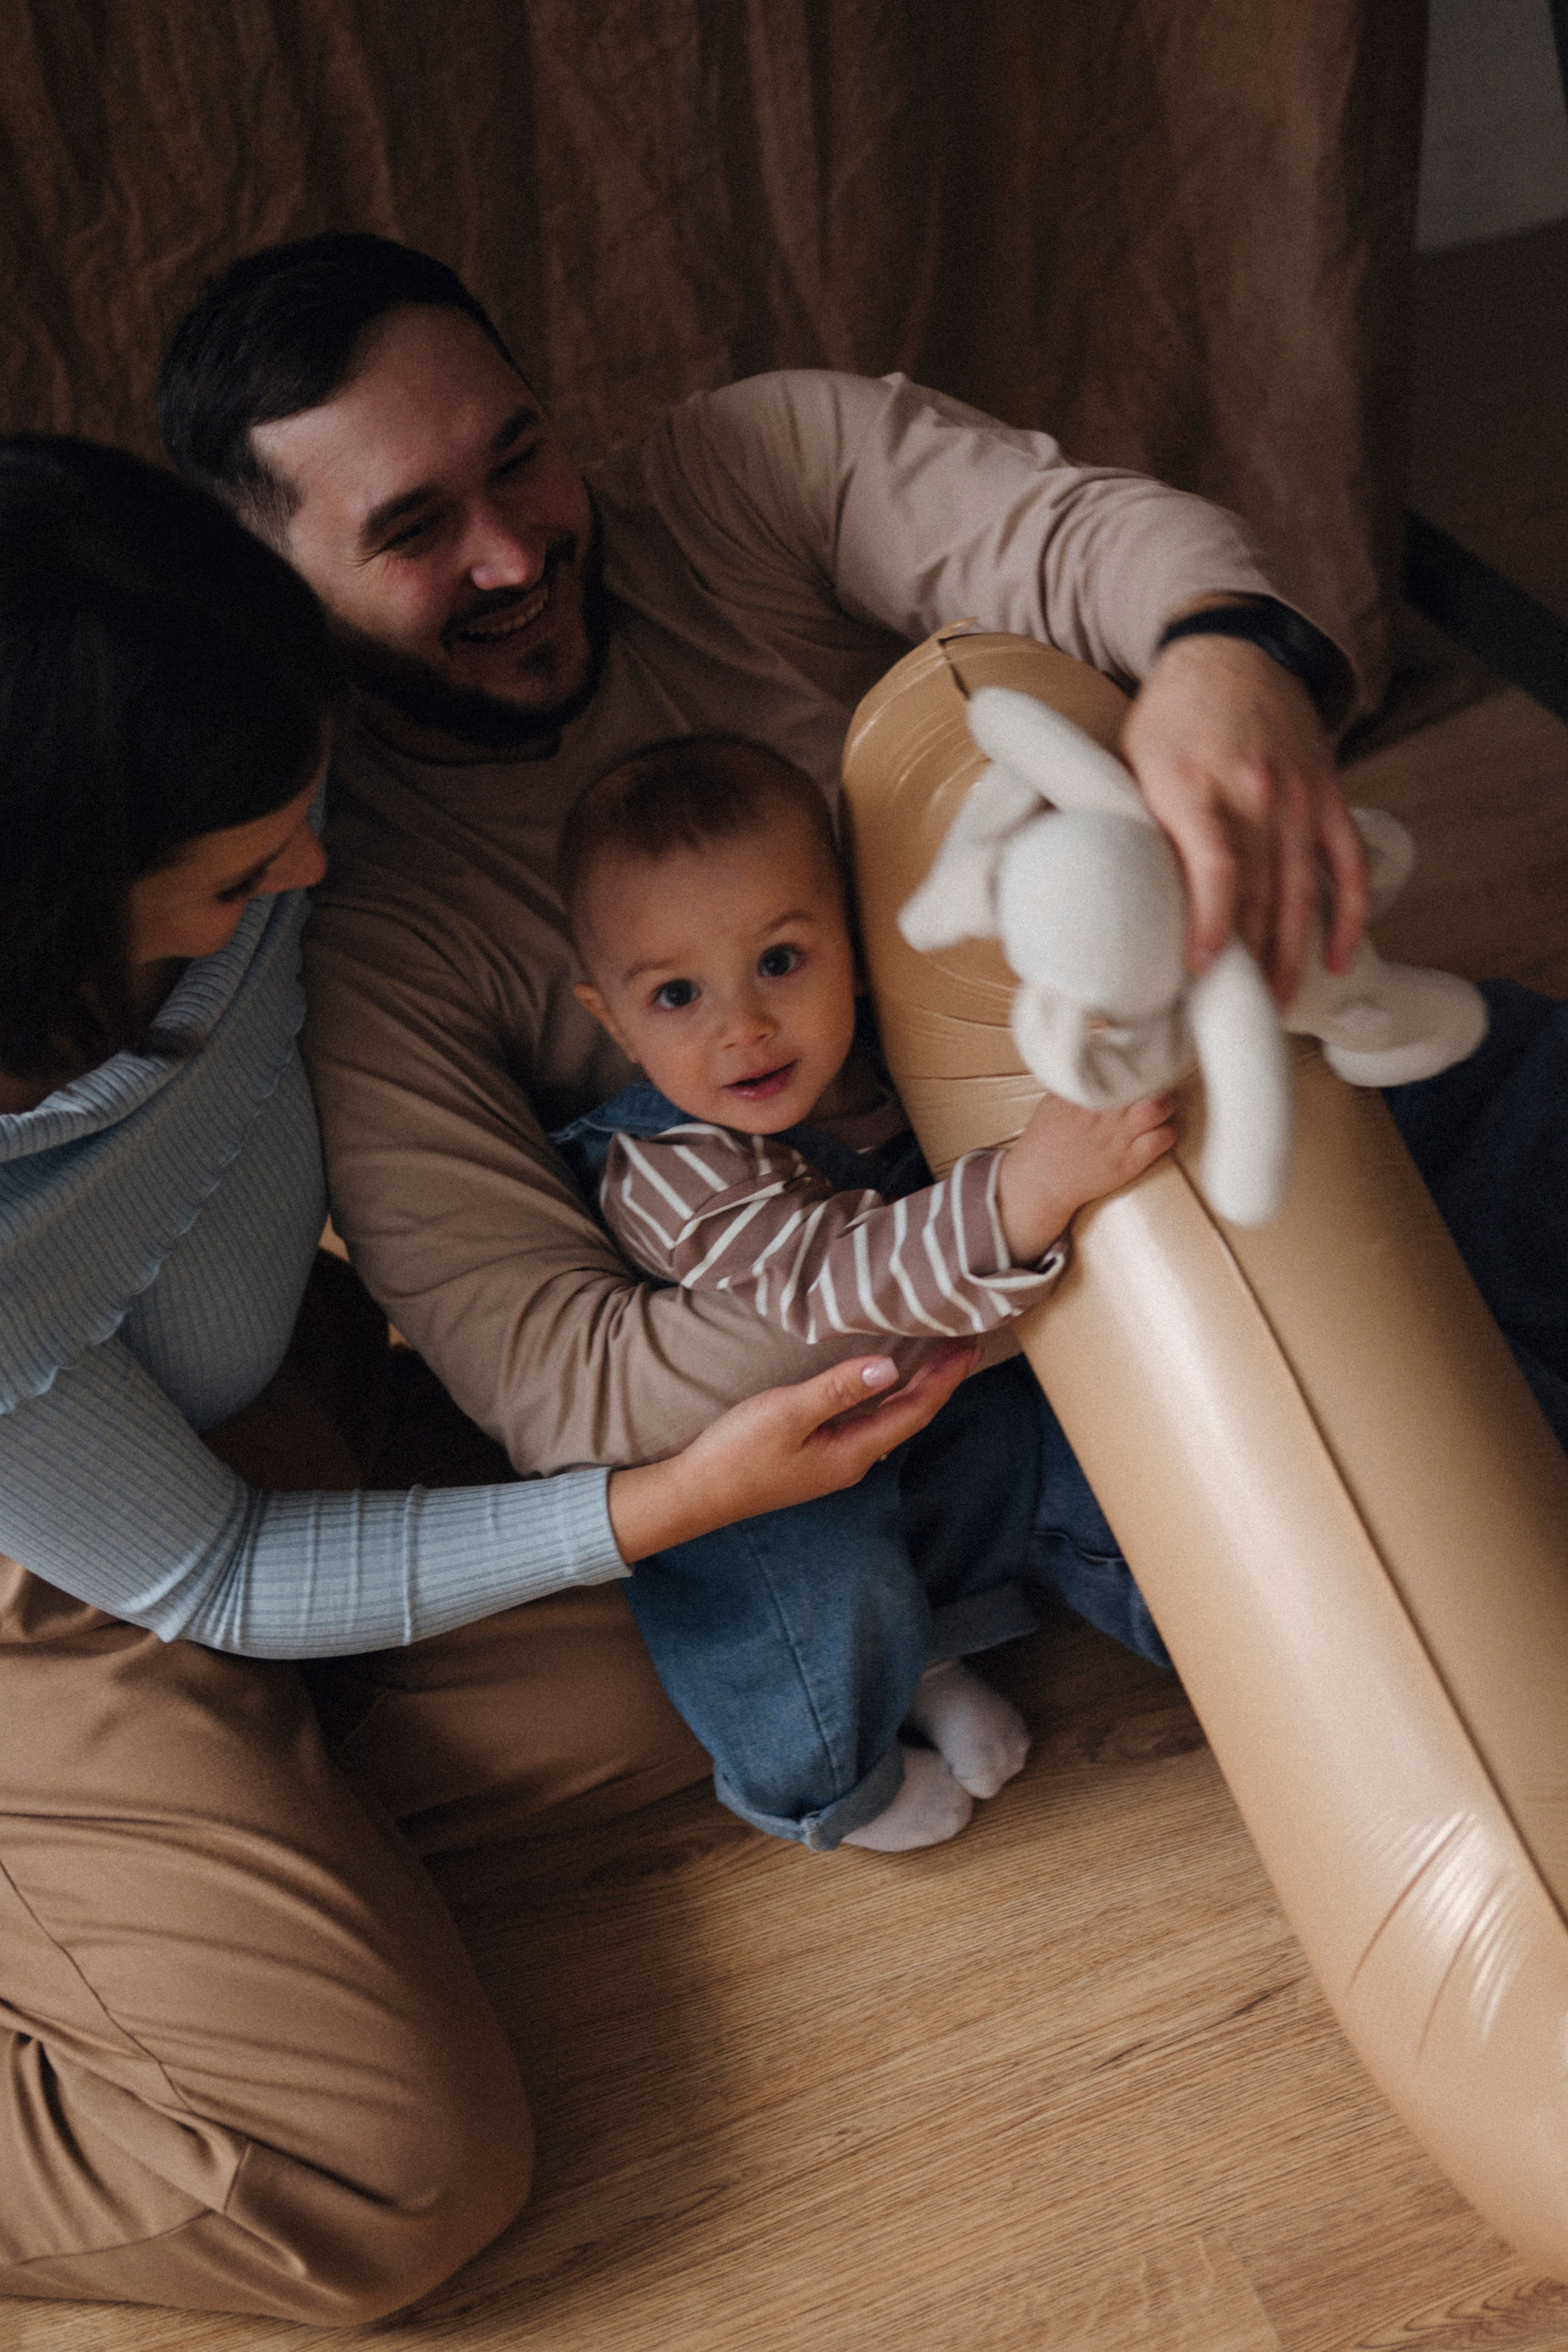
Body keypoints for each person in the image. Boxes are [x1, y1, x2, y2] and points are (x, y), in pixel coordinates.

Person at [0, 435, 978, 2323]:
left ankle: (198, 1901)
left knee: (751, 1654)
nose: (315, 865)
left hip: (267, 1402)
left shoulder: (216, 769)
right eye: (243, 874)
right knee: (399, 2171)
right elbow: (214, 1572)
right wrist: (667, 1496)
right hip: (58, 1587)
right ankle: (154, 1917)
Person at [156, 231, 1367, 1515]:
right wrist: (1002, 1229)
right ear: (277, 593)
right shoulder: (363, 917)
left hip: (1198, 1087)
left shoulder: (747, 473)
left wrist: (1222, 658)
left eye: (517, 459)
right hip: (964, 1401)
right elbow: (561, 1382)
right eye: (414, 530)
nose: (511, 554)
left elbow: (1089, 541)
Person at [547, 730, 1176, 1850]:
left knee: (1022, 1453)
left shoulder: (891, 1056)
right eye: (677, 994)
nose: (743, 1026)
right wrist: (1028, 1190)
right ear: (613, 1020)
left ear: (855, 938)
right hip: (772, 1491)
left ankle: (935, 1653)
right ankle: (839, 1788)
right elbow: (833, 1286)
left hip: (931, 1402)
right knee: (810, 1614)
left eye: (781, 962)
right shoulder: (667, 1170)